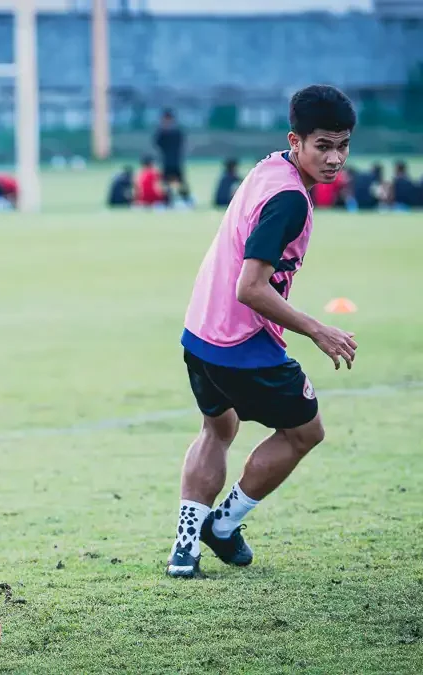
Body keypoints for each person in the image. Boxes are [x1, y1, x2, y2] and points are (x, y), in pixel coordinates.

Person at [166, 85, 358, 578]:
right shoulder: (289, 199)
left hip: (199, 330)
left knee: (218, 427)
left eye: (343, 145)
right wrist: (318, 330)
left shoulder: (268, 166)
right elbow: (250, 287)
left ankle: (184, 550)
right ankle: (223, 525)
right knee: (304, 432)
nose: (335, 158)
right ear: (296, 141)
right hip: (241, 342)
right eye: (323, 146)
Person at [154, 109, 192, 207]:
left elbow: (181, 144)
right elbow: (158, 143)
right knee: (165, 184)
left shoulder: (176, 132)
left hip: (175, 161)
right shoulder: (162, 132)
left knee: (180, 182)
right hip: (166, 161)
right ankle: (167, 201)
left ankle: (187, 199)